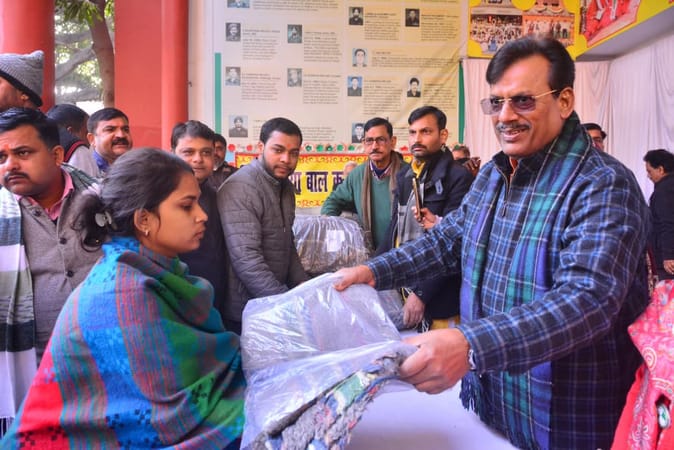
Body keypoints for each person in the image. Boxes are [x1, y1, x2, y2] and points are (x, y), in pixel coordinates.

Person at [334, 36, 650, 450]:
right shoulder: (494, 176)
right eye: (496, 102)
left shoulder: (602, 184)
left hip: (567, 422)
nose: (505, 116)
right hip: (492, 406)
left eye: (523, 101)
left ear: (565, 101)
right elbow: (446, 242)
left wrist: (469, 345)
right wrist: (373, 272)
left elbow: (586, 300)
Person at [1, 148, 246, 448]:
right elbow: (170, 417)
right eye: (186, 206)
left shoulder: (163, 273)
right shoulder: (123, 293)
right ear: (144, 219)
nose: (202, 215)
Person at [0, 107, 101, 435]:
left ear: (57, 155)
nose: (10, 165)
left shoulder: (104, 201)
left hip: (107, 360)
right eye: (1, 157)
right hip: (32, 368)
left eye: (23, 153)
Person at [377, 106, 472, 331]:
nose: (417, 139)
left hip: (439, 302)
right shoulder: (406, 175)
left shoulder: (459, 178)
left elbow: (454, 245)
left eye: (425, 132)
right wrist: (370, 270)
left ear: (443, 135)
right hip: (404, 290)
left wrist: (421, 294)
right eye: (412, 132)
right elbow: (394, 230)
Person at [217, 117, 309, 334]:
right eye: (278, 150)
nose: (286, 159)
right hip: (247, 311)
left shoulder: (285, 187)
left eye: (294, 153)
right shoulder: (241, 187)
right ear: (260, 147)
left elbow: (287, 244)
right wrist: (284, 302)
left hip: (273, 304)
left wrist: (306, 288)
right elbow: (247, 259)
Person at [171, 121, 230, 317]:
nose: (198, 159)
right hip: (177, 297)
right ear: (172, 153)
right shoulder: (160, 198)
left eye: (206, 153)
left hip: (215, 296)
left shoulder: (218, 195)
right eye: (188, 152)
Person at [321, 117, 408, 251]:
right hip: (369, 252)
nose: (374, 146)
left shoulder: (408, 174)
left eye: (381, 140)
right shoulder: (357, 175)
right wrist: (331, 228)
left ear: (393, 142)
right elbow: (332, 202)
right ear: (363, 143)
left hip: (403, 251)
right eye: (369, 141)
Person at [643, 149, 674, 280]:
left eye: (650, 171)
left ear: (660, 169)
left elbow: (668, 223)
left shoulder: (665, 190)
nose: (648, 176)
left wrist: (668, 256)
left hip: (668, 260)